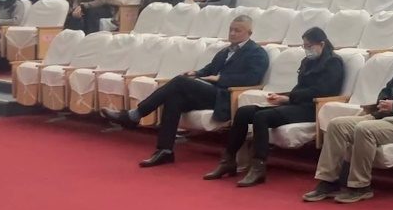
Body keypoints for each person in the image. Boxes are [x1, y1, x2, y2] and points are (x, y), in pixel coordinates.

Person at [304, 26, 393, 203]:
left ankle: (360, 186)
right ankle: (328, 181)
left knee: (364, 129)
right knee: (336, 125)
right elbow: (387, 89)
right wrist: (383, 101)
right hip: (382, 115)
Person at [105, 15, 270, 167]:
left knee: (180, 82)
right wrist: (196, 73)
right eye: (231, 29)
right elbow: (210, 69)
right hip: (210, 91)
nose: (232, 33)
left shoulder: (257, 53)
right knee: (174, 97)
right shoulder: (226, 50)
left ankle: (135, 114)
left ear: (249, 33)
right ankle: (165, 150)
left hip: (226, 96)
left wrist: (220, 79)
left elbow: (252, 78)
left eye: (237, 30)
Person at [206, 27, 346, 186]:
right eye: (305, 46)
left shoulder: (333, 62)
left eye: (309, 46)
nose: (307, 49)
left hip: (312, 108)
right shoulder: (308, 62)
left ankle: (258, 167)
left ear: (322, 44)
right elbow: (300, 88)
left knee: (262, 117)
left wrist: (289, 98)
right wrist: (283, 96)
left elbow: (323, 91)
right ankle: (228, 160)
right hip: (296, 103)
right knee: (243, 112)